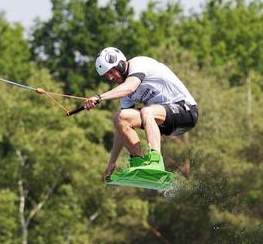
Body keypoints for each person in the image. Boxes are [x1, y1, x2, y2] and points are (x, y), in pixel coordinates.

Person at [82, 47, 198, 180]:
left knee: (147, 111)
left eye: (111, 72)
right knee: (120, 118)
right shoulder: (125, 91)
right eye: (106, 76)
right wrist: (111, 163)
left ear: (120, 63)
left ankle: (155, 162)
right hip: (164, 120)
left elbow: (129, 87)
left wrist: (99, 97)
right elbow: (122, 129)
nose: (110, 77)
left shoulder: (138, 63)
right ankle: (139, 163)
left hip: (186, 111)